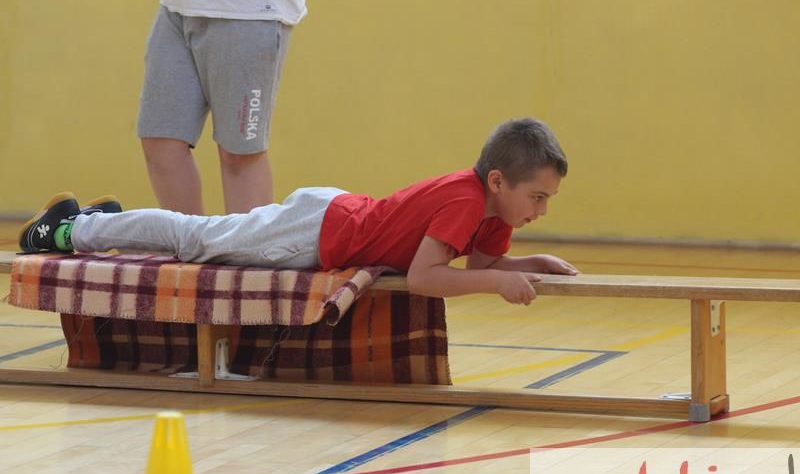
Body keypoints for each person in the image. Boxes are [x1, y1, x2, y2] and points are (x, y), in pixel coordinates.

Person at [19, 118, 578, 305]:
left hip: (331, 214)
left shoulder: (494, 214)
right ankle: (71, 229)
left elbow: (479, 263)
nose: (541, 210)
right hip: (314, 233)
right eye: (538, 197)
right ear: (498, 181)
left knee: (201, 236)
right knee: (196, 240)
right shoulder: (465, 200)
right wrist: (497, 284)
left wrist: (528, 263)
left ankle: (102, 222)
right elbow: (424, 278)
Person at [138, 0, 307, 215]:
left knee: (239, 154)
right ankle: (189, 238)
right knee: (161, 142)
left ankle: (248, 240)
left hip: (249, 10)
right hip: (179, 5)